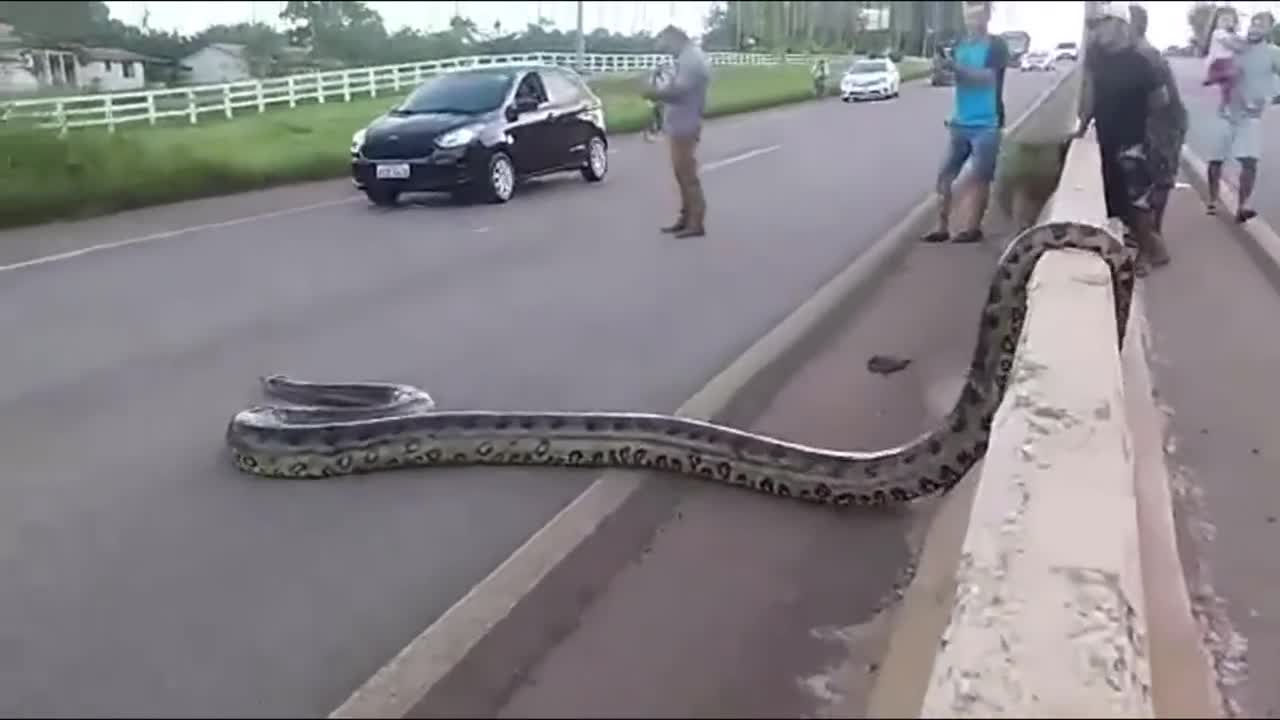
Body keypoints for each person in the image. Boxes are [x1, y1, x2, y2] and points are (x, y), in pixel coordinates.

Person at [1077, 2, 1171, 275]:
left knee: (1137, 202)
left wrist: (1139, 121)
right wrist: (1081, 128)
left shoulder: (1141, 61)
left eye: (1102, 25)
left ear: (1119, 26)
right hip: (1106, 137)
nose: (1097, 32)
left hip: (1133, 141)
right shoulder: (1096, 58)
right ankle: (1142, 249)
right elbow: (1090, 95)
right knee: (1114, 199)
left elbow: (1161, 99)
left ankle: (1148, 252)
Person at [920, 1, 1009, 245]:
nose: (973, 19)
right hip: (960, 121)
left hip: (987, 123)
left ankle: (972, 228)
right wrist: (942, 67)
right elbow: (953, 78)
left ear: (987, 16)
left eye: (978, 14)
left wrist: (956, 68)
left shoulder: (996, 46)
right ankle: (941, 227)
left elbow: (986, 79)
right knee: (944, 177)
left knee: (979, 178)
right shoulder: (959, 44)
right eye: (969, 14)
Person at [1204, 10, 1280, 223]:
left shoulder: (1274, 53)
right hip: (1226, 110)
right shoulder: (1235, 45)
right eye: (1253, 22)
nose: (1255, 27)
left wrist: (1270, 98)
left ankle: (1243, 205)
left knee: (1249, 161)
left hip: (1251, 116)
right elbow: (1213, 70)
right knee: (1215, 159)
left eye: (1261, 24)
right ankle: (1212, 199)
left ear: (1269, 28)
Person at [644, 25, 711, 238]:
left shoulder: (691, 60)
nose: (662, 47)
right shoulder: (687, 57)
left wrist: (653, 94)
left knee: (687, 174)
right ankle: (687, 217)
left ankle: (696, 222)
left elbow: (679, 92)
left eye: (663, 42)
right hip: (681, 122)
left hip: (685, 123)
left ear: (675, 39)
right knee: (682, 174)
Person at [1130, 3, 1189, 237]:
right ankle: (1151, 238)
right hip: (1160, 124)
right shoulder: (1138, 54)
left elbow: (1160, 100)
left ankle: (1153, 240)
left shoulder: (1146, 56)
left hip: (1165, 126)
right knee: (1148, 182)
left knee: (1156, 182)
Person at [1203, 6, 1248, 112]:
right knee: (1237, 78)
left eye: (1230, 20)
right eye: (1223, 20)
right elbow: (1229, 44)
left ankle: (1225, 106)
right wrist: (1241, 48)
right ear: (1216, 22)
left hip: (1227, 63)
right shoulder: (1218, 32)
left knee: (1227, 87)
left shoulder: (1230, 34)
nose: (1226, 23)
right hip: (1220, 63)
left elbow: (1239, 41)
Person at [642, 61, 670, 143]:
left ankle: (660, 130)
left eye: (661, 67)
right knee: (654, 115)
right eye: (658, 67)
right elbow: (651, 87)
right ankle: (652, 131)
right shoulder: (653, 77)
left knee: (661, 114)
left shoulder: (665, 77)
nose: (660, 68)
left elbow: (667, 86)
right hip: (655, 98)